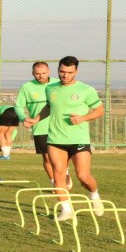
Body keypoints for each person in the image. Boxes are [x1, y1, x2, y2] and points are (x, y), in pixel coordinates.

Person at [41, 56, 104, 221]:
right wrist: (35, 118)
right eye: (62, 71)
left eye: (69, 72)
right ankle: (66, 210)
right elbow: (49, 106)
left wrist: (83, 118)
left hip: (79, 139)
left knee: (83, 176)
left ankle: (94, 195)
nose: (65, 75)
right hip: (55, 139)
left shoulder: (86, 90)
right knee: (58, 175)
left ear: (76, 71)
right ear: (58, 70)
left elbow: (99, 110)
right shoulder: (50, 88)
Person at [14, 61, 72, 189]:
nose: (41, 76)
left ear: (49, 72)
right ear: (33, 73)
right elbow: (18, 106)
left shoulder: (58, 84)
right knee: (47, 157)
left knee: (62, 156)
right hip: (40, 127)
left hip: (60, 126)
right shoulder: (27, 87)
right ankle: (55, 183)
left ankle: (65, 173)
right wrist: (24, 118)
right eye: (37, 74)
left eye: (44, 73)